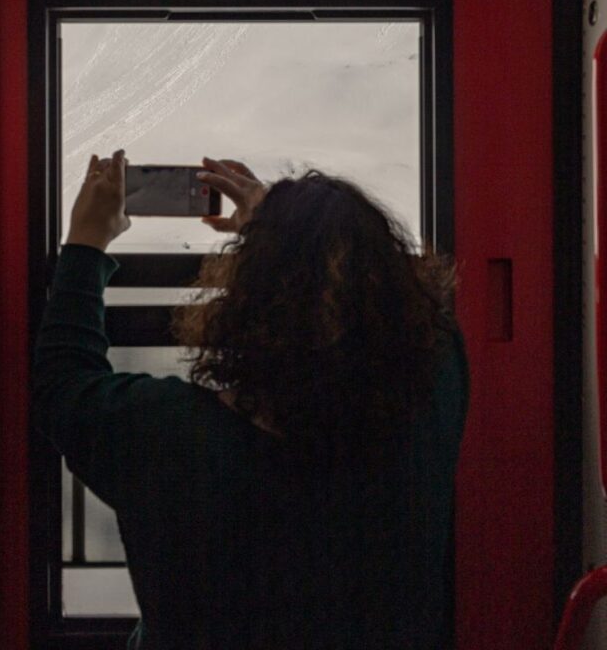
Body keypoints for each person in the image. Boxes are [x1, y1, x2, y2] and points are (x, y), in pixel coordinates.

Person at [31, 150, 468, 650]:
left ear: (244, 305)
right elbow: (424, 315)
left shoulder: (174, 436)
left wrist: (86, 243)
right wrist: (296, 228)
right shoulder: (431, 397)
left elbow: (64, 383)